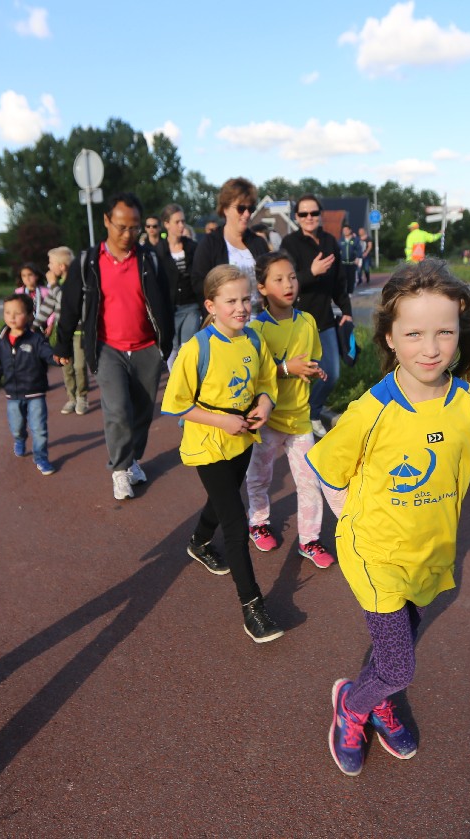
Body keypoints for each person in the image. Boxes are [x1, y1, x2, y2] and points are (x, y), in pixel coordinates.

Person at [306, 259, 470, 776]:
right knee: (399, 665)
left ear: (459, 330)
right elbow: (327, 469)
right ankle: (354, 705)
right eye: (413, 334)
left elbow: (459, 478)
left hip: (430, 553)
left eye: (444, 332)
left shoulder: (469, 404)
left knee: (401, 639)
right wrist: (355, 524)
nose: (430, 348)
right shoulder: (371, 411)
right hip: (376, 556)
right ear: (389, 337)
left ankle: (375, 692)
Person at [160, 264, 283, 642]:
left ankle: (197, 542)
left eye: (246, 299)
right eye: (231, 301)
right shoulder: (196, 349)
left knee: (222, 499)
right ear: (211, 306)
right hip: (208, 444)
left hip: (242, 438)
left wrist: (265, 404)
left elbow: (266, 380)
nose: (242, 307)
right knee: (235, 521)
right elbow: (176, 404)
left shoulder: (254, 339)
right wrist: (220, 421)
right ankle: (253, 606)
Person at [55, 192, 174, 501]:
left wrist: (165, 343)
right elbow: (70, 305)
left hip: (146, 348)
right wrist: (63, 344)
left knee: (143, 412)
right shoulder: (88, 262)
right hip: (107, 348)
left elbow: (165, 303)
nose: (128, 234)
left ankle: (132, 460)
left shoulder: (149, 259)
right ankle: (119, 469)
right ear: (106, 221)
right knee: (118, 410)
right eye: (121, 227)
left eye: (134, 227)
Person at [243, 250, 333, 567]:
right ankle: (258, 522)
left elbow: (313, 357)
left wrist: (314, 370)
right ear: (262, 288)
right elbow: (255, 375)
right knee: (259, 477)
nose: (288, 284)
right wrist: (285, 368)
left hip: (300, 419)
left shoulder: (307, 321)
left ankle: (309, 540)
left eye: (292, 277)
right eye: (278, 279)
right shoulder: (256, 330)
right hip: (267, 420)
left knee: (310, 483)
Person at [281, 194, 354, 438]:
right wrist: (311, 272)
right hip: (297, 322)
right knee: (298, 375)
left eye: (313, 213)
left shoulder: (330, 241)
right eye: (304, 214)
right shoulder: (289, 244)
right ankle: (292, 420)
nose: (309, 217)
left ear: (321, 215)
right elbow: (286, 283)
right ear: (296, 217)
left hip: (324, 320)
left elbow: (339, 282)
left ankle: (312, 412)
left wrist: (347, 312)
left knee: (331, 373)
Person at [0, 294, 62, 476]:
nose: (12, 317)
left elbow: (48, 354)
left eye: (18, 313)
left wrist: (58, 358)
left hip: (35, 393)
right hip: (13, 395)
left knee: (39, 429)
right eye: (8, 312)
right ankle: (20, 439)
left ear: (30, 315)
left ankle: (41, 457)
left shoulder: (36, 339)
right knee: (17, 426)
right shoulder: (0, 340)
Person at [191, 177, 270, 314]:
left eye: (251, 209)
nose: (247, 214)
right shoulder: (210, 244)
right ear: (225, 209)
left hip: (260, 320)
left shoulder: (258, 242)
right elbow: (199, 284)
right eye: (241, 208)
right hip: (227, 322)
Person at [153, 203, 200, 365]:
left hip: (191, 305)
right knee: (171, 349)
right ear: (166, 224)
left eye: (183, 221)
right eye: (177, 222)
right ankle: (175, 378)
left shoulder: (193, 247)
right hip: (169, 309)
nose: (181, 225)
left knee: (188, 347)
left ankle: (188, 378)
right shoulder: (158, 251)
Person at [46, 246, 89, 415]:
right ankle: (71, 397)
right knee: (66, 366)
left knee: (79, 366)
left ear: (62, 266)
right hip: (64, 332)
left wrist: (53, 285)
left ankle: (82, 397)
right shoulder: (57, 286)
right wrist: (35, 324)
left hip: (79, 331)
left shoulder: (74, 282)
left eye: (51, 263)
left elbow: (66, 300)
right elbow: (49, 303)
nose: (49, 267)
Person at [14, 262, 53, 327]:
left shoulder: (45, 291)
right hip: (24, 324)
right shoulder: (19, 292)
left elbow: (51, 309)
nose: (27, 278)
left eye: (30, 275)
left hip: (42, 324)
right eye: (24, 276)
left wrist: (50, 324)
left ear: (37, 276)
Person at [340, 224, 361, 290]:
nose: (345, 231)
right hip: (343, 263)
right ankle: (343, 291)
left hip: (352, 263)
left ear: (350, 230)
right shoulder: (341, 240)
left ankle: (350, 292)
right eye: (344, 230)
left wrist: (357, 258)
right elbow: (337, 250)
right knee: (343, 278)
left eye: (346, 230)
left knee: (351, 279)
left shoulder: (355, 240)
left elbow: (359, 249)